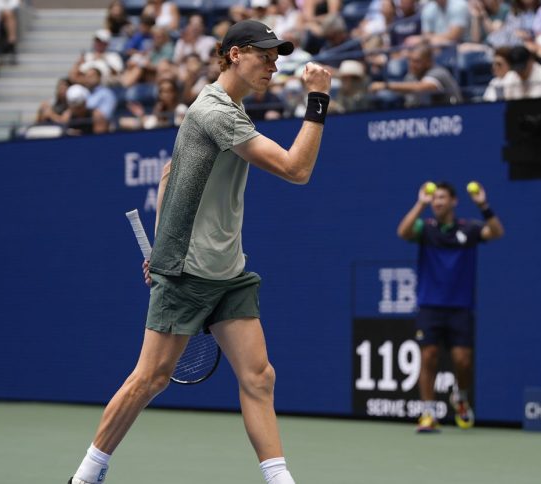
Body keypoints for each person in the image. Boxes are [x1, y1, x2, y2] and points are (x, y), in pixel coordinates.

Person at [67, 19, 332, 484]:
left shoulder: (227, 109)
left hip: (228, 272)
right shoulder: (215, 112)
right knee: (150, 379)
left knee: (259, 376)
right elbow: (297, 170)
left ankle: (279, 480)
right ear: (235, 54)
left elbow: (170, 172)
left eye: (276, 58)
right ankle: (86, 475)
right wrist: (319, 100)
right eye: (265, 55)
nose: (273, 65)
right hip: (189, 273)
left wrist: (160, 242)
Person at [397, 181, 505, 433]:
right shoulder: (426, 228)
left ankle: (461, 398)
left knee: (463, 361)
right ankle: (428, 413)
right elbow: (403, 232)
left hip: (460, 308)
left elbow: (497, 232)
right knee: (428, 357)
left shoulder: (469, 229)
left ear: (454, 201)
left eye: (442, 198)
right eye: (435, 199)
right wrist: (420, 203)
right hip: (429, 306)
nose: (437, 202)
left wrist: (483, 206)